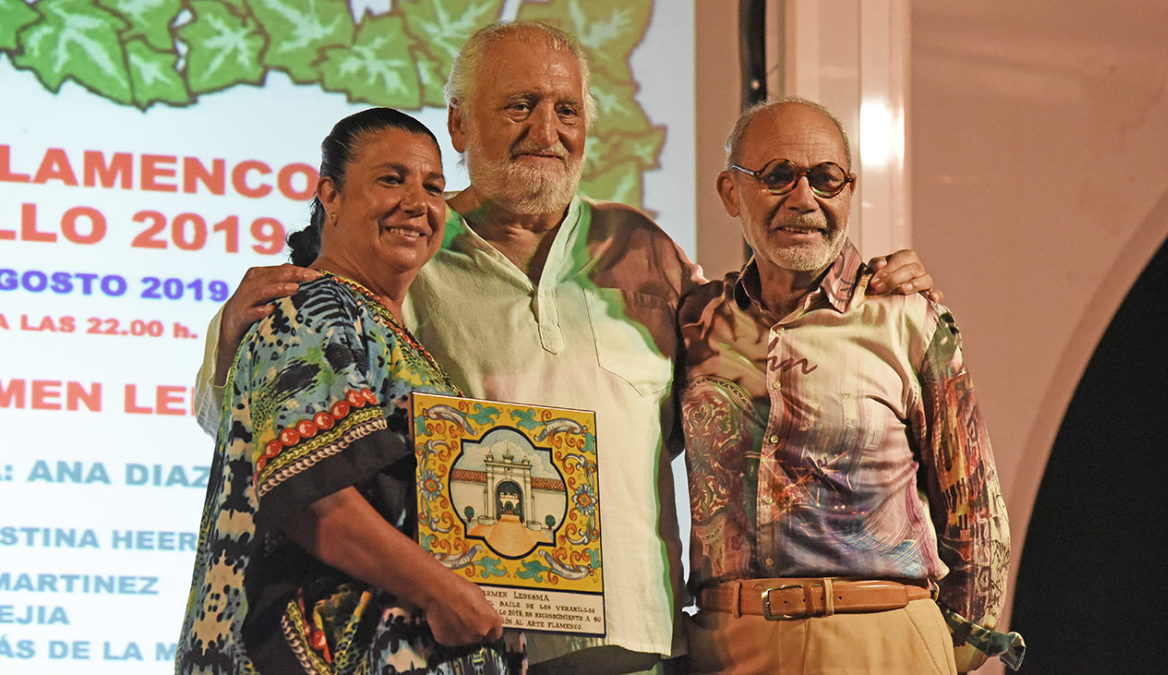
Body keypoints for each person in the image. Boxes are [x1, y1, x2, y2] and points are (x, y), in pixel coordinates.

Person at [193, 22, 937, 675]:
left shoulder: (642, 249)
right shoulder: (406, 253)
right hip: (475, 642)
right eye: (519, 105)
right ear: (459, 124)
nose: (546, 129)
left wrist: (866, 286)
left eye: (567, 109)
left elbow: (760, 361)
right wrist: (227, 346)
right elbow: (268, 429)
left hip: (640, 643)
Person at [678, 98, 1023, 674]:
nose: (804, 198)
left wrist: (944, 649)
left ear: (849, 190)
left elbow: (974, 508)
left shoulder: (905, 316)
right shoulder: (697, 324)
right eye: (778, 175)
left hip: (880, 641)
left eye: (826, 178)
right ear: (729, 192)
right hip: (730, 648)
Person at [176, 108, 523, 674]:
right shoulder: (313, 307)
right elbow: (315, 500)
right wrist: (442, 591)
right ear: (330, 196)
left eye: (433, 187)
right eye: (392, 179)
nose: (418, 202)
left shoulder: (386, 329)